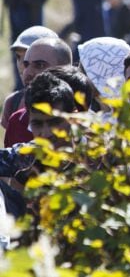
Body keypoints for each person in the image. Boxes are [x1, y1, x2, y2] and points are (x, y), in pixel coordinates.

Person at [0, 71, 85, 218]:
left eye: (55, 122)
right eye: (37, 124)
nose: (46, 133)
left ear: (74, 118)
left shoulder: (96, 158)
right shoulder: (24, 156)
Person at [4, 37, 73, 147]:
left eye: (40, 65)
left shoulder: (83, 121)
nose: (28, 72)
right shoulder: (17, 121)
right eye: (26, 65)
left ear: (65, 70)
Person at [3, 26, 58, 127]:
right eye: (18, 57)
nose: (22, 65)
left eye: (37, 62)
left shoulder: (71, 102)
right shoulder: (13, 103)